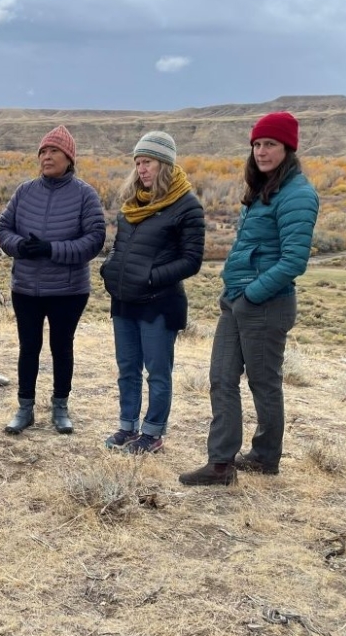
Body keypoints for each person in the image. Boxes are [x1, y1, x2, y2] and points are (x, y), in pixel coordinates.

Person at [179, 112, 319, 486]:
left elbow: (294, 260)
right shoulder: (262, 191)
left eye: (270, 144)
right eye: (256, 144)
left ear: (288, 149)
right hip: (238, 299)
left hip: (265, 303)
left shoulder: (298, 194)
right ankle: (221, 464)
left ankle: (265, 457)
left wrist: (252, 295)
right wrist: (234, 293)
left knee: (263, 382)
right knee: (221, 378)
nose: (261, 151)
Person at [0, 125, 106, 435]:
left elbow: (95, 240)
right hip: (26, 286)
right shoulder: (24, 191)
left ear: (69, 158)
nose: (46, 156)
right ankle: (25, 408)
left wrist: (51, 250)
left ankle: (60, 407)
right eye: (43, 151)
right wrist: (20, 246)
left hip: (68, 290)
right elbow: (3, 229)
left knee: (62, 347)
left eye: (53, 151)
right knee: (28, 347)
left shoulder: (85, 194)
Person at [100, 132, 205, 454]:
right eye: (138, 163)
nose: (142, 169)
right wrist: (111, 268)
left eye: (148, 162)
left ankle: (153, 432)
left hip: (160, 304)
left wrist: (148, 278)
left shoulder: (187, 206)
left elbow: (191, 261)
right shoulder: (133, 204)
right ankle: (127, 427)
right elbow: (120, 247)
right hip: (124, 301)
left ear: (166, 164)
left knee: (158, 372)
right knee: (127, 369)